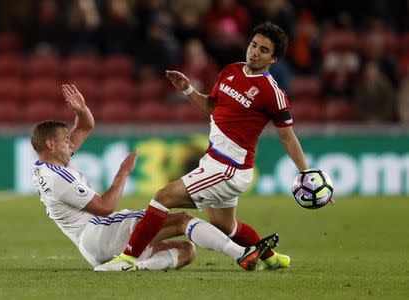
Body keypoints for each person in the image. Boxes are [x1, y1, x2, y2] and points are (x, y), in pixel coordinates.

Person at [102, 22, 323, 271]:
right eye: (253, 45)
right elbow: (212, 107)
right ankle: (271, 257)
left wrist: (306, 172)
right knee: (225, 227)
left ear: (274, 58)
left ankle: (128, 258)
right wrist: (187, 89)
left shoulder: (273, 93)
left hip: (230, 169)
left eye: (263, 50)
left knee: (163, 197)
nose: (254, 52)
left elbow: (288, 137)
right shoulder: (231, 70)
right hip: (214, 162)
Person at [32, 84, 276, 271]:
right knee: (181, 219)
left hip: (96, 245)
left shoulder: (48, 164)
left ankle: (132, 266)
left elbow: (84, 126)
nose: (70, 144)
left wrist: (81, 109)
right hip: (99, 232)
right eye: (65, 140)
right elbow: (106, 208)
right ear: (51, 144)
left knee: (186, 250)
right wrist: (122, 173)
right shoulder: (57, 178)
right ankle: (240, 254)